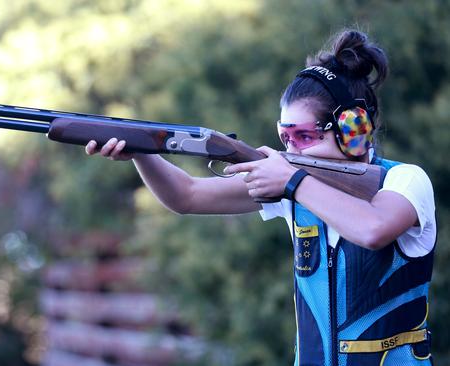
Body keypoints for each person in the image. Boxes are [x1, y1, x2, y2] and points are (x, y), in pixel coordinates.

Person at [86, 29, 436, 365]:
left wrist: (293, 181)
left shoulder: (404, 181)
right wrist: (142, 152)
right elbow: (186, 196)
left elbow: (372, 230)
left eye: (304, 136)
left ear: (353, 129)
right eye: (285, 136)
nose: (291, 149)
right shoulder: (294, 184)